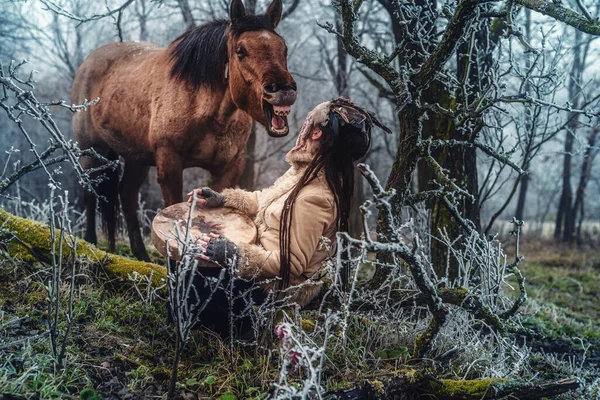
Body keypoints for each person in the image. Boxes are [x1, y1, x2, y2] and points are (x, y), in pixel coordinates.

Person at [183, 97, 390, 336]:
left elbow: (290, 264)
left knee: (192, 268)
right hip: (257, 265)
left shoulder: (315, 197)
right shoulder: (304, 172)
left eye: (309, 123)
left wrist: (235, 254)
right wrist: (224, 199)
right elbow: (265, 200)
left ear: (316, 134)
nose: (303, 127)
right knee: (188, 254)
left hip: (268, 291)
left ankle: (206, 341)